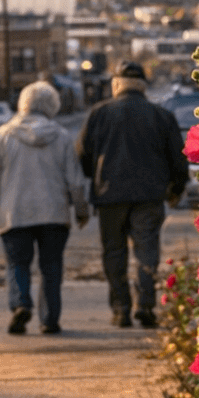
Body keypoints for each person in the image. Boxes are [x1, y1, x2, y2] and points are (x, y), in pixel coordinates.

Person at [76, 61, 188, 328]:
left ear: (116, 85)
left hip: (109, 196)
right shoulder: (161, 115)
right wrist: (176, 189)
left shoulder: (99, 113)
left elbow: (82, 155)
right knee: (146, 251)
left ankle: (121, 309)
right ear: (143, 87)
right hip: (150, 195)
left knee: (114, 253)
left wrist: (97, 177)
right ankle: (146, 306)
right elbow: (178, 160)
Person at [0, 80, 90, 334]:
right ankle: (49, 320)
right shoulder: (60, 136)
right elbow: (75, 180)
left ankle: (20, 304)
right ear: (52, 105)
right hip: (54, 214)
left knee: (17, 263)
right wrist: (81, 209)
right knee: (51, 267)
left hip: (13, 213)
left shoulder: (2, 135)